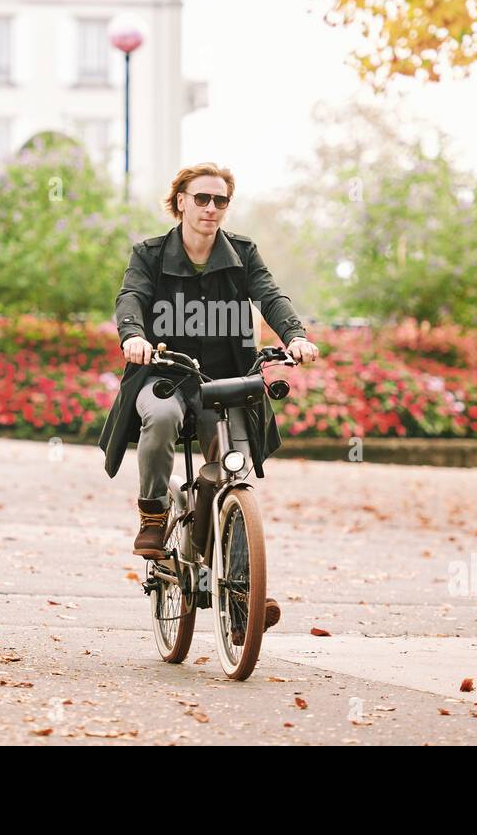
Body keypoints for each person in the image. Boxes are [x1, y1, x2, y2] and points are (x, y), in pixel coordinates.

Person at [97, 162, 319, 633]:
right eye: (201, 198)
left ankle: (241, 600)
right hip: (164, 374)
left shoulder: (242, 253)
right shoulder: (150, 254)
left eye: (220, 200)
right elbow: (130, 298)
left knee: (232, 474)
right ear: (180, 201)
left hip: (224, 384)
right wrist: (132, 335)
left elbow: (270, 296)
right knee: (158, 418)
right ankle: (154, 513)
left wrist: (294, 335)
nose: (211, 208)